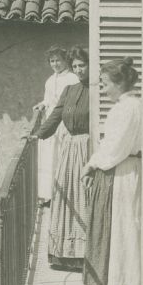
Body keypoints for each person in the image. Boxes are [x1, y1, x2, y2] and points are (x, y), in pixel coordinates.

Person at [83, 55, 143, 285]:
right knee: (116, 233)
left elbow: (114, 147)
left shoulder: (127, 108)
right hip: (122, 170)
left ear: (119, 84)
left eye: (105, 83)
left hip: (122, 173)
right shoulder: (130, 106)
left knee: (121, 234)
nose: (103, 89)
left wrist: (92, 164)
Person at [34, 48, 92, 267]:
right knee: (64, 198)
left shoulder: (97, 92)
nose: (79, 70)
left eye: (82, 65)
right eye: (75, 66)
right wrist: (37, 135)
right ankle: (63, 254)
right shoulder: (69, 90)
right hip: (69, 149)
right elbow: (56, 116)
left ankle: (83, 254)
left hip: (88, 147)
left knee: (83, 198)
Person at [30, 46, 79, 201]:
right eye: (52, 61)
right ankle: (48, 194)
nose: (55, 64)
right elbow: (49, 98)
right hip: (50, 119)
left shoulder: (72, 79)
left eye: (58, 60)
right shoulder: (51, 80)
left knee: (61, 154)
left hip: (64, 120)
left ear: (66, 61)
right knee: (49, 155)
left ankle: (63, 194)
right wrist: (43, 104)